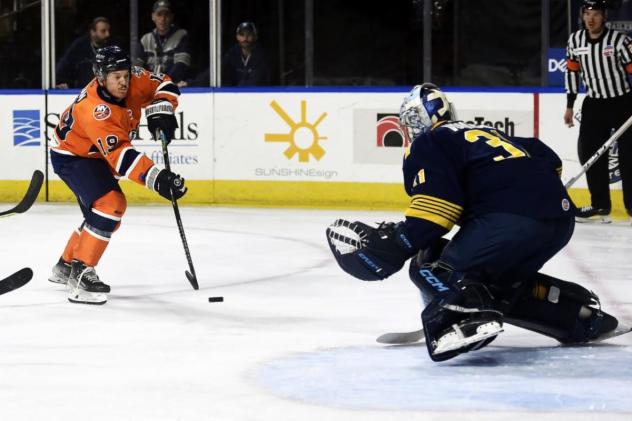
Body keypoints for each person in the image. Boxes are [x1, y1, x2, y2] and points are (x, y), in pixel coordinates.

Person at [326, 83, 621, 362]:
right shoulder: (486, 131)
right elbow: (549, 157)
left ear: (416, 120)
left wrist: (399, 243)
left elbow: (436, 212)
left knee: (429, 264)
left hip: (509, 220)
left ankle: (465, 318)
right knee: (495, 283)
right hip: (560, 220)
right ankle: (575, 316)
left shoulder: (430, 141)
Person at [47, 45, 186, 305]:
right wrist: (158, 179)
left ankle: (65, 265)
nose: (124, 82)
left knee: (105, 219)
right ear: (101, 78)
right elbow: (122, 157)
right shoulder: (95, 109)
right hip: (74, 156)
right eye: (116, 77)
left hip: (98, 156)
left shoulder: (133, 78)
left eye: (125, 75)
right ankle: (80, 273)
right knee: (110, 205)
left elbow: (165, 83)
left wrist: (162, 107)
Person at [564, 0, 632, 223]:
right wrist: (570, 105)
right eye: (587, 14)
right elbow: (572, 72)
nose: (590, 19)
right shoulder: (575, 41)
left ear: (604, 17)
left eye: (595, 14)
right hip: (594, 105)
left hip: (622, 103)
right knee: (590, 154)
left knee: (629, 156)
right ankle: (600, 205)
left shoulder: (619, 41)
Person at [136, 0, 191, 84]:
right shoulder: (145, 39)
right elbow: (137, 67)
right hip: (150, 85)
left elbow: (181, 64)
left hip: (173, 85)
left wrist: (164, 82)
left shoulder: (181, 35)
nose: (162, 19)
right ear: (153, 17)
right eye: (159, 15)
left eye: (166, 15)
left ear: (171, 17)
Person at [55, 17, 112, 89]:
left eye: (108, 31)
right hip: (81, 90)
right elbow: (63, 67)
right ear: (93, 32)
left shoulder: (111, 48)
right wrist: (63, 83)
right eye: (103, 31)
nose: (107, 34)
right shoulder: (79, 46)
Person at [221, 21, 268, 86]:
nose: (245, 38)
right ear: (237, 37)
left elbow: (256, 81)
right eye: (242, 35)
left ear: (255, 36)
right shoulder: (232, 53)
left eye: (249, 34)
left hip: (256, 91)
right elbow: (222, 71)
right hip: (235, 91)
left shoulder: (261, 55)